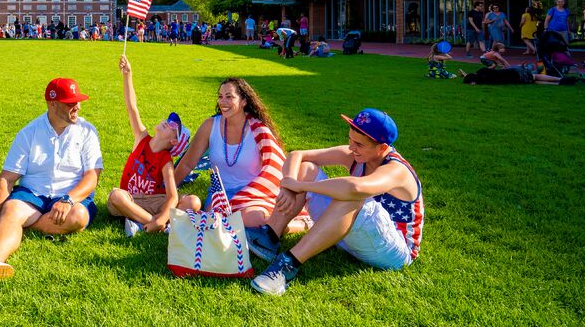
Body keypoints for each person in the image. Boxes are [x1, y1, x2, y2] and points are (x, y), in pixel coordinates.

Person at [246, 108, 423, 296]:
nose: (351, 147)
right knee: (307, 168)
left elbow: (355, 189)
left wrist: (301, 186)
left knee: (352, 196)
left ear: (382, 148)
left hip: (394, 252)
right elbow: (297, 155)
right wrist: (288, 185)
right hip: (358, 236)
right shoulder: (356, 154)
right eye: (351, 140)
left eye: (359, 144)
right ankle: (270, 236)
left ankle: (287, 265)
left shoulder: (397, 170)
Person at [0, 78, 103, 284]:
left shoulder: (87, 131)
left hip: (72, 195)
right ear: (53, 104)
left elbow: (92, 177)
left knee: (78, 217)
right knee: (12, 209)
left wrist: (68, 199)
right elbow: (7, 178)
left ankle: (15, 226)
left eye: (78, 101)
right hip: (33, 193)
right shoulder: (29, 133)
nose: (77, 106)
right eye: (70, 102)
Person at [172, 78, 303, 232]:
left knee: (252, 219)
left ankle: (300, 224)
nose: (223, 102)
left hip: (253, 193)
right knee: (218, 221)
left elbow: (277, 165)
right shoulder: (210, 126)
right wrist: (167, 191)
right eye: (220, 96)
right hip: (219, 194)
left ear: (243, 101)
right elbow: (188, 163)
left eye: (229, 96)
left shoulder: (258, 130)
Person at [108, 56, 189, 237]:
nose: (167, 122)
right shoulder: (141, 138)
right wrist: (128, 75)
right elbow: (132, 107)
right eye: (168, 120)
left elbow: (172, 196)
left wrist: (161, 215)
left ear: (174, 142)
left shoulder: (166, 161)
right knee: (116, 196)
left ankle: (142, 222)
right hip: (130, 198)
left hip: (155, 201)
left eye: (173, 126)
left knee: (193, 202)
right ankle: (154, 224)